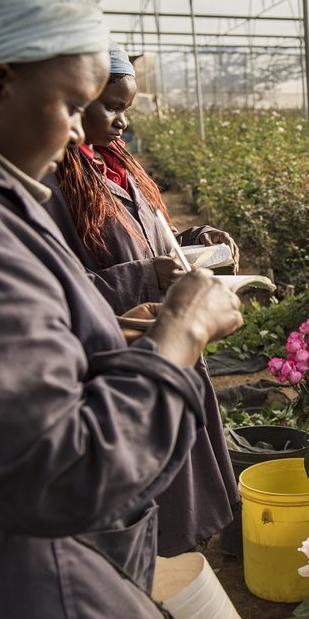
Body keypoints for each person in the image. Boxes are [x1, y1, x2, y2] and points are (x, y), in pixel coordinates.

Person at [0, 0, 243, 619]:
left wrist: (108, 336)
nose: (78, 129)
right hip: (28, 604)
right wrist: (176, 333)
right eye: (73, 105)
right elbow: (59, 466)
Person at [44, 40, 240, 557]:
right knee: (148, 490)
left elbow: (156, 237)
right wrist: (145, 277)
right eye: (109, 107)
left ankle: (180, 557)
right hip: (122, 356)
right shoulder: (55, 186)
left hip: (169, 347)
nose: (120, 121)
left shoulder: (115, 166)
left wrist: (200, 243)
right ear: (73, 98)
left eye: (125, 110)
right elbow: (64, 290)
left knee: (184, 464)